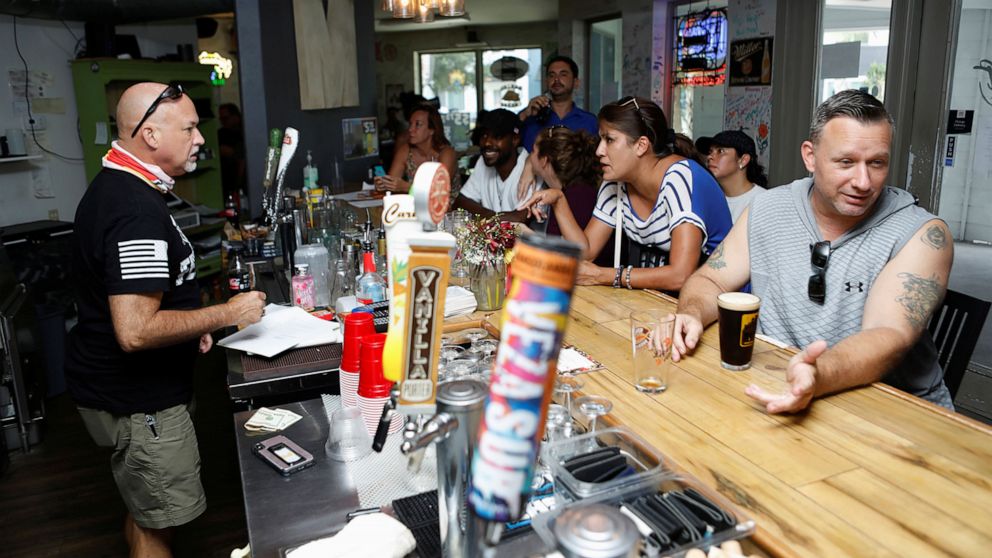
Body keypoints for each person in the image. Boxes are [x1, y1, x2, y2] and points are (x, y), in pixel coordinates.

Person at [65, 82, 267, 557]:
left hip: (128, 392)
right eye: (190, 128)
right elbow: (134, 331)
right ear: (151, 136)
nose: (200, 139)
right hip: (139, 401)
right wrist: (225, 313)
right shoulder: (133, 208)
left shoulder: (126, 187)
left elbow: (143, 301)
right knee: (160, 524)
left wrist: (190, 325)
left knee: (145, 507)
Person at [671, 89, 954, 414]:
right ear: (810, 156)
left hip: (896, 417)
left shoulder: (924, 234)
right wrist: (691, 313)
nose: (863, 181)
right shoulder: (767, 207)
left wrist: (817, 374)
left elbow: (887, 334)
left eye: (876, 163)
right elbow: (712, 280)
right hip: (777, 388)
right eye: (846, 162)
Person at [522, 96, 733, 291]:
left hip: (719, 301)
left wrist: (603, 275)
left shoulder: (681, 179)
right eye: (600, 139)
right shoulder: (616, 183)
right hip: (660, 301)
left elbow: (680, 275)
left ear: (641, 145)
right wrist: (560, 201)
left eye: (610, 140)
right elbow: (585, 252)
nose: (599, 151)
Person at [529, 125, 615, 267]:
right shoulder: (570, 189)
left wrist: (523, 233)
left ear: (544, 160)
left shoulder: (578, 196)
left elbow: (571, 255)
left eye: (532, 151)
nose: (529, 157)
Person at [454, 109, 530, 222]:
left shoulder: (530, 167)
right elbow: (460, 202)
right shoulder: (483, 162)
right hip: (491, 238)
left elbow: (521, 217)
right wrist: (493, 217)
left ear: (515, 139)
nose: (487, 143)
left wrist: (487, 218)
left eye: (497, 137)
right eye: (484, 136)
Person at [374, 103, 461, 201]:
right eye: (410, 124)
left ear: (432, 130)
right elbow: (392, 182)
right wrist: (384, 184)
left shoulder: (446, 153)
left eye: (418, 124)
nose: (410, 129)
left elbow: (439, 193)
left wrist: (406, 187)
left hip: (449, 212)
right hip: (416, 208)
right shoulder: (406, 150)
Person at [518, 55, 599, 152]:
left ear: (576, 82)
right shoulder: (530, 117)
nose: (556, 79)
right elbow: (505, 141)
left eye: (563, 74)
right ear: (546, 82)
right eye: (551, 75)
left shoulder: (590, 121)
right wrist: (524, 115)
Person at [695, 130, 768, 222]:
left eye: (720, 151)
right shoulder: (708, 199)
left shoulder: (764, 201)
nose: (710, 157)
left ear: (743, 160)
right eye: (710, 152)